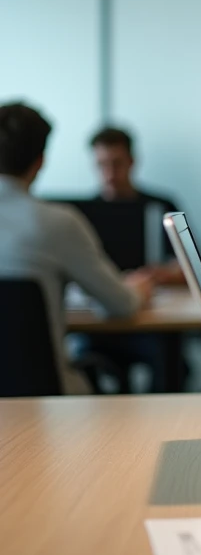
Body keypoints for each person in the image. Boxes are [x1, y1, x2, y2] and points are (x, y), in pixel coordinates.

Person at [0, 103, 153, 394]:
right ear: (40, 160)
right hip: (45, 403)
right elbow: (122, 305)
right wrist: (137, 287)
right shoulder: (57, 223)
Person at [90, 127, 185, 286]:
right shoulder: (82, 213)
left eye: (117, 163)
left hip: (155, 300)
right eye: (102, 164)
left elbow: (194, 266)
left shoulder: (161, 206)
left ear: (132, 161)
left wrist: (167, 274)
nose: (110, 173)